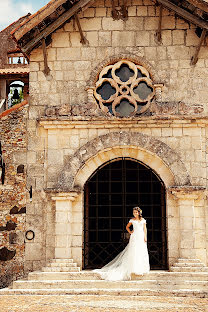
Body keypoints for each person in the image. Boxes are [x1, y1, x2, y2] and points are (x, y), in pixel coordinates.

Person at [93, 207, 150, 281]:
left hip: (141, 236)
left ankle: (140, 268)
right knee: (134, 251)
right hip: (134, 236)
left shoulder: (143, 220)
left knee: (141, 251)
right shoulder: (132, 220)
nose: (135, 213)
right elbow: (127, 227)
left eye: (136, 212)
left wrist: (145, 237)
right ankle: (133, 268)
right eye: (134, 212)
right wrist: (130, 232)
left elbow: (145, 229)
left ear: (139, 213)